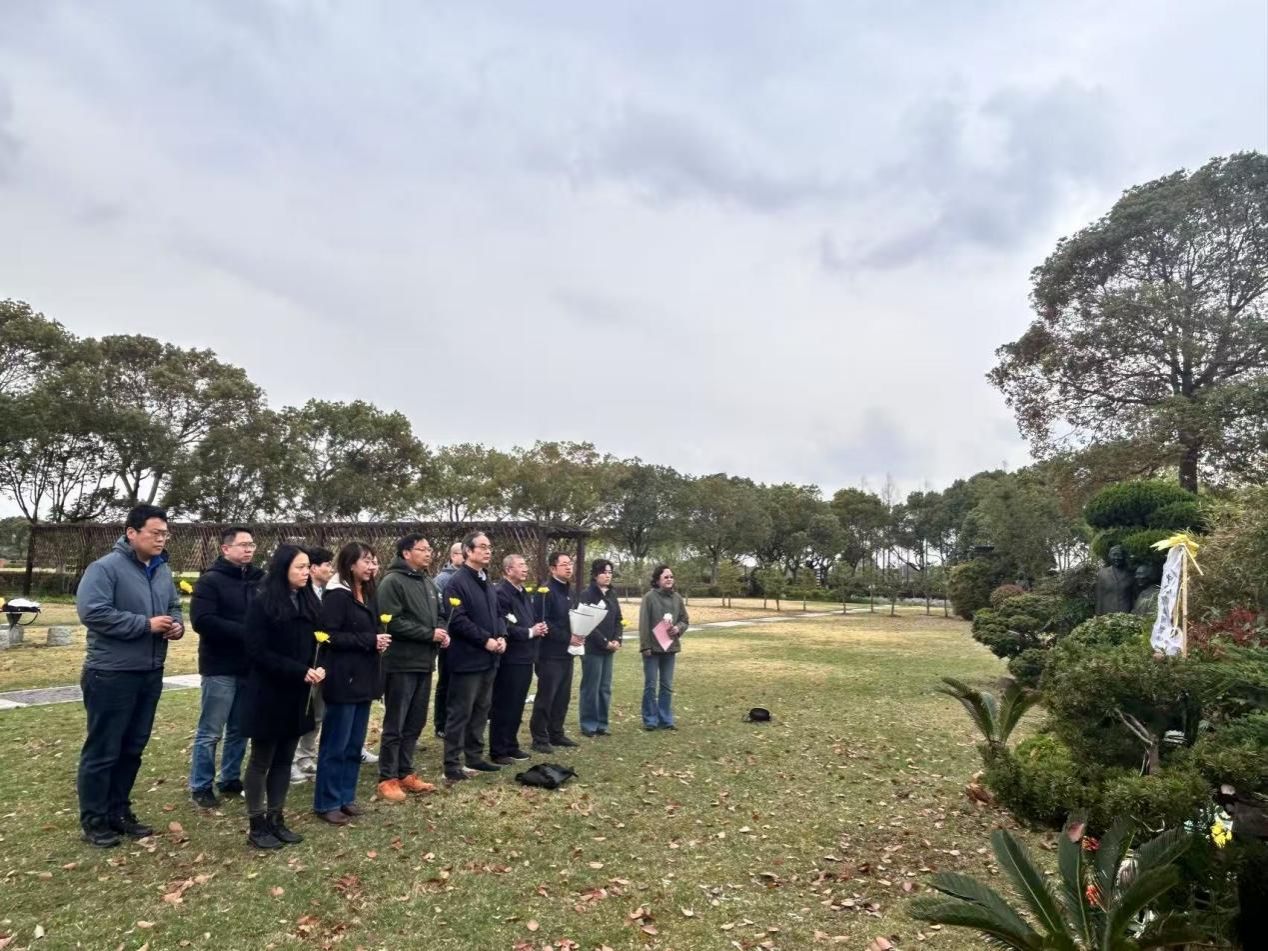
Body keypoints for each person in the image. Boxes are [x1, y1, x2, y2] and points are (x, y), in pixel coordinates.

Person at [75, 504, 184, 847]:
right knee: (104, 749)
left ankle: (118, 811)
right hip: (111, 673)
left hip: (149, 672)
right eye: (155, 533)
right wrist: (144, 625)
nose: (161, 539)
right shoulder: (104, 568)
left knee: (133, 748)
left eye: (165, 534)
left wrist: (176, 625)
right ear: (131, 533)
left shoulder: (162, 569)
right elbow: (93, 612)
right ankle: (94, 820)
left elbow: (173, 606)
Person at [239, 545, 324, 848]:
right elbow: (257, 651)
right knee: (262, 759)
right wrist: (298, 670)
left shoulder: (309, 601)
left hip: (299, 693)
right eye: (300, 567)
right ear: (283, 568)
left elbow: (320, 641)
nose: (306, 572)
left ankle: (277, 817)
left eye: (307, 567)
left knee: (285, 759)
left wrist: (319, 666)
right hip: (269, 691)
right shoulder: (263, 602)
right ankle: (257, 823)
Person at [188, 526, 264, 809]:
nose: (249, 549)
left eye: (251, 544)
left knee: (240, 728)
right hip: (219, 665)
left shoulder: (259, 580)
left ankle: (230, 777)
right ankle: (201, 785)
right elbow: (203, 620)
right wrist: (246, 632)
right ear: (226, 548)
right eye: (243, 544)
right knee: (211, 730)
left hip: (249, 665)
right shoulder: (211, 581)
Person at [314, 543, 388, 824]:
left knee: (354, 744)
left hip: (364, 678)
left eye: (373, 561)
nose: (372, 566)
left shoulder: (368, 593)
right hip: (342, 677)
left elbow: (372, 628)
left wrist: (379, 640)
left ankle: (346, 797)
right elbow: (328, 635)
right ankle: (327, 802)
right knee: (336, 743)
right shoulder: (336, 595)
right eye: (366, 561)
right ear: (350, 564)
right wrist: (369, 640)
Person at [376, 534, 448, 801]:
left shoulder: (428, 581)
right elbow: (392, 621)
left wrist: (441, 630)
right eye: (422, 549)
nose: (428, 553)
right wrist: (429, 634)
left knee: (415, 721)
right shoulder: (392, 581)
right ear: (406, 553)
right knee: (396, 722)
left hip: (424, 662)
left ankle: (405, 771)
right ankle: (387, 777)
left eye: (430, 548)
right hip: (401, 662)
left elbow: (441, 614)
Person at [441, 531, 506, 782]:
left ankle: (474, 756)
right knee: (460, 712)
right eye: (482, 546)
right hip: (467, 659)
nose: (488, 551)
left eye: (489, 546)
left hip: (489, 658)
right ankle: (452, 764)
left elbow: (498, 612)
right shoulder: (456, 582)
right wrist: (485, 639)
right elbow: (457, 620)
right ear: (468, 551)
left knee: (481, 709)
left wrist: (501, 635)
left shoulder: (486, 580)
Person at [490, 553, 547, 764]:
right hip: (510, 658)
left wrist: (538, 627)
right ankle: (499, 750)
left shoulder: (523, 592)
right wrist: (530, 632)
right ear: (508, 570)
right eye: (520, 565)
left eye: (526, 565)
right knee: (504, 704)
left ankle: (511, 745)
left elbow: (528, 620)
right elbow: (504, 626)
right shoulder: (501, 593)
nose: (525, 568)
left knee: (517, 704)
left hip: (525, 657)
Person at [530, 552, 581, 753]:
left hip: (567, 653)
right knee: (547, 696)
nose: (569, 567)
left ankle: (556, 733)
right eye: (564, 564)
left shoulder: (571, 591)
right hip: (549, 653)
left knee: (562, 696)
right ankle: (539, 738)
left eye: (570, 564)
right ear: (552, 568)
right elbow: (544, 621)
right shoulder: (545, 591)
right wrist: (567, 637)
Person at [292, 546, 334, 783]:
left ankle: (305, 757)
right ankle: (290, 761)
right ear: (315, 568)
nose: (331, 569)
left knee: (317, 713)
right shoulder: (301, 593)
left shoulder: (329, 593)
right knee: (301, 712)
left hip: (322, 663)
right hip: (303, 664)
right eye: (327, 564)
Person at [639, 564, 689, 731]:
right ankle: (650, 720)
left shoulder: (677, 598)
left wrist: (678, 628)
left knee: (666, 685)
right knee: (651, 685)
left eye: (671, 577)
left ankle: (666, 719)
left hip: (670, 648)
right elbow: (644, 623)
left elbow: (684, 620)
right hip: (652, 649)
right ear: (657, 580)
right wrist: (645, 646)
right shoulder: (649, 598)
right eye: (666, 577)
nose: (669, 579)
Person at [578, 559, 623, 737]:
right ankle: (589, 724)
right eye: (604, 572)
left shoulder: (612, 594)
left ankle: (602, 724)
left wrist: (617, 639)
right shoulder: (587, 595)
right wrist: (604, 641)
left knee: (605, 687)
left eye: (610, 572)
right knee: (591, 687)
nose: (607, 575)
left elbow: (618, 619)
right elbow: (587, 623)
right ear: (595, 574)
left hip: (609, 649)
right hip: (593, 649)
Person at [431, 541, 464, 739]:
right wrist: (445, 631)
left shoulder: (470, 577)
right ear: (452, 556)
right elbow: (440, 609)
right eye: (460, 553)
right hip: (448, 638)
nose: (464, 557)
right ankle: (441, 723)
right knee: (445, 681)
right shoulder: (442, 580)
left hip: (465, 640)